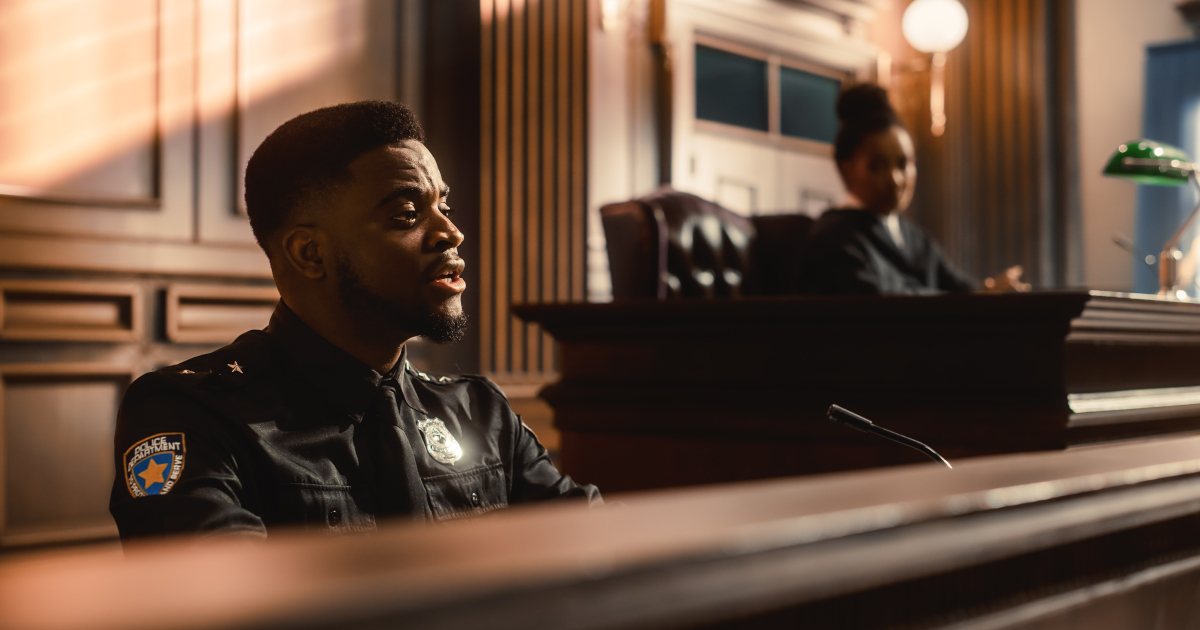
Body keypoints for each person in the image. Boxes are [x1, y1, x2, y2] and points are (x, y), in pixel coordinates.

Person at [109, 101, 600, 539]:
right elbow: (230, 603)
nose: (450, 232)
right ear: (309, 253)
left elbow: (600, 547)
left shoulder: (479, 411)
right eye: (407, 215)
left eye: (442, 206)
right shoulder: (190, 414)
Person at [798, 84, 1026, 295]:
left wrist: (992, 293)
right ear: (845, 167)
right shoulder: (833, 238)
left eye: (903, 164)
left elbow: (961, 290)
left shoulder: (914, 238)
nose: (895, 179)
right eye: (878, 166)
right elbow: (881, 307)